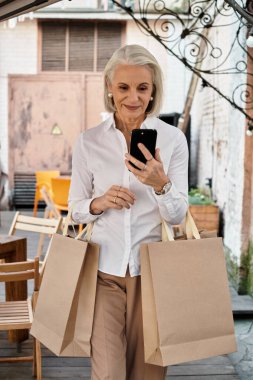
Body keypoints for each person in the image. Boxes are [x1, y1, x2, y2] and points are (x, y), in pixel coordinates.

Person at [69, 44, 188, 380]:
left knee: (148, 374)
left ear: (153, 92)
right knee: (107, 373)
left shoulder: (173, 140)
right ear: (110, 88)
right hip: (103, 273)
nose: (133, 97)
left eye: (142, 88)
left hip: (153, 276)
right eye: (123, 87)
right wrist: (99, 203)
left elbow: (178, 217)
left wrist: (160, 183)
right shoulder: (88, 141)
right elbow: (74, 210)